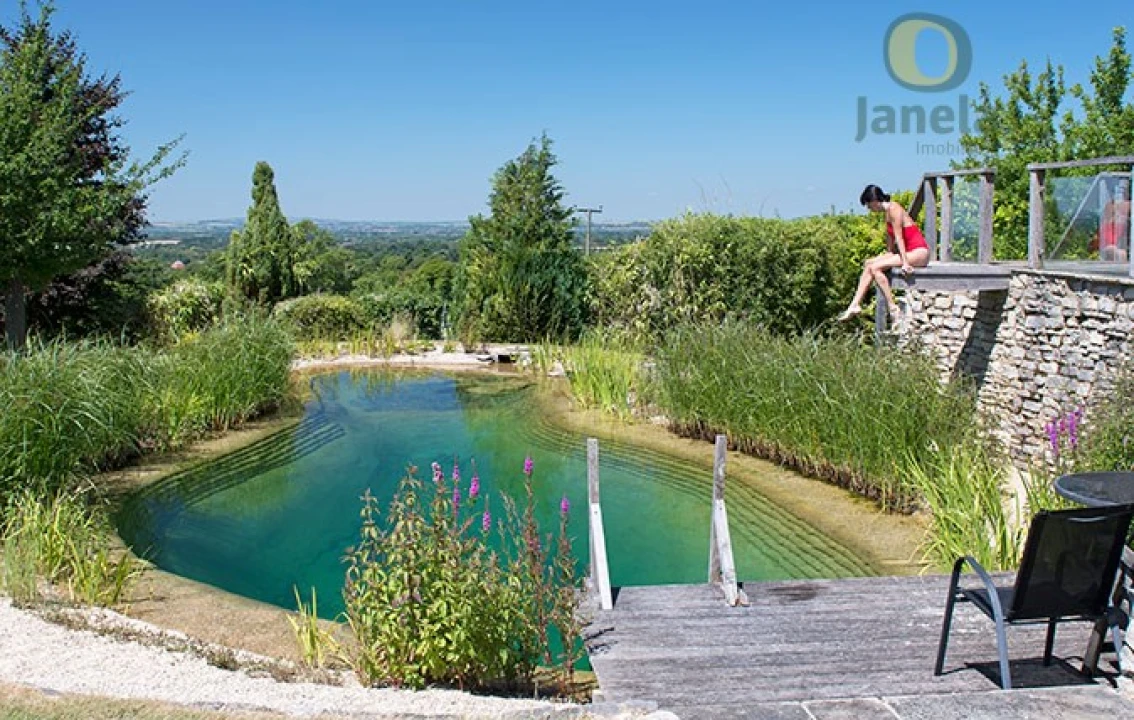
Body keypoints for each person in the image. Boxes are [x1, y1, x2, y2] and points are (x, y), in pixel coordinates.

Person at [838, 184, 931, 323]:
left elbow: (899, 238)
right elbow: (891, 242)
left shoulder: (894, 209)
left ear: (875, 201)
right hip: (908, 252)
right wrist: (886, 256)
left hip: (919, 252)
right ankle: (855, 304)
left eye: (869, 205)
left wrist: (905, 263)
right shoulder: (887, 214)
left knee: (875, 268)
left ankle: (892, 307)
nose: (869, 209)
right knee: (869, 263)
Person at [1096, 184, 1130, 262]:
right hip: (1108, 247)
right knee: (1117, 251)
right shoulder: (1107, 224)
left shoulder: (1121, 224)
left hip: (1115, 245)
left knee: (1121, 253)